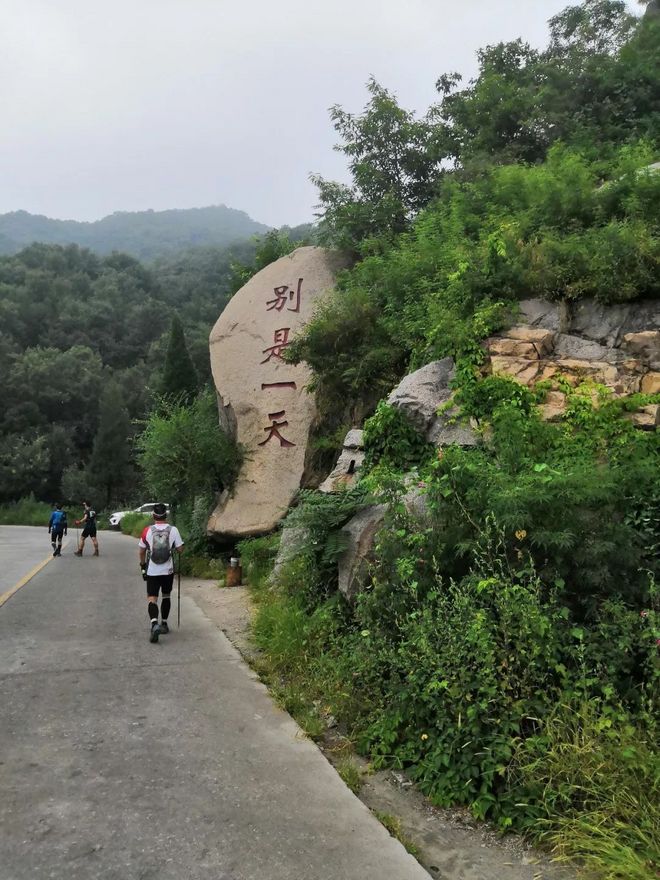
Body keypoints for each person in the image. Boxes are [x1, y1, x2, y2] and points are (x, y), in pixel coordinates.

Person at [138, 502, 184, 643]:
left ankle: (154, 624)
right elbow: (180, 549)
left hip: (152, 570)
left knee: (152, 598)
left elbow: (141, 551)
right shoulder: (173, 530)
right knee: (166, 596)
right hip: (167, 570)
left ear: (153, 515)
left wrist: (143, 566)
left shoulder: (147, 530)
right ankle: (164, 623)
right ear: (166, 515)